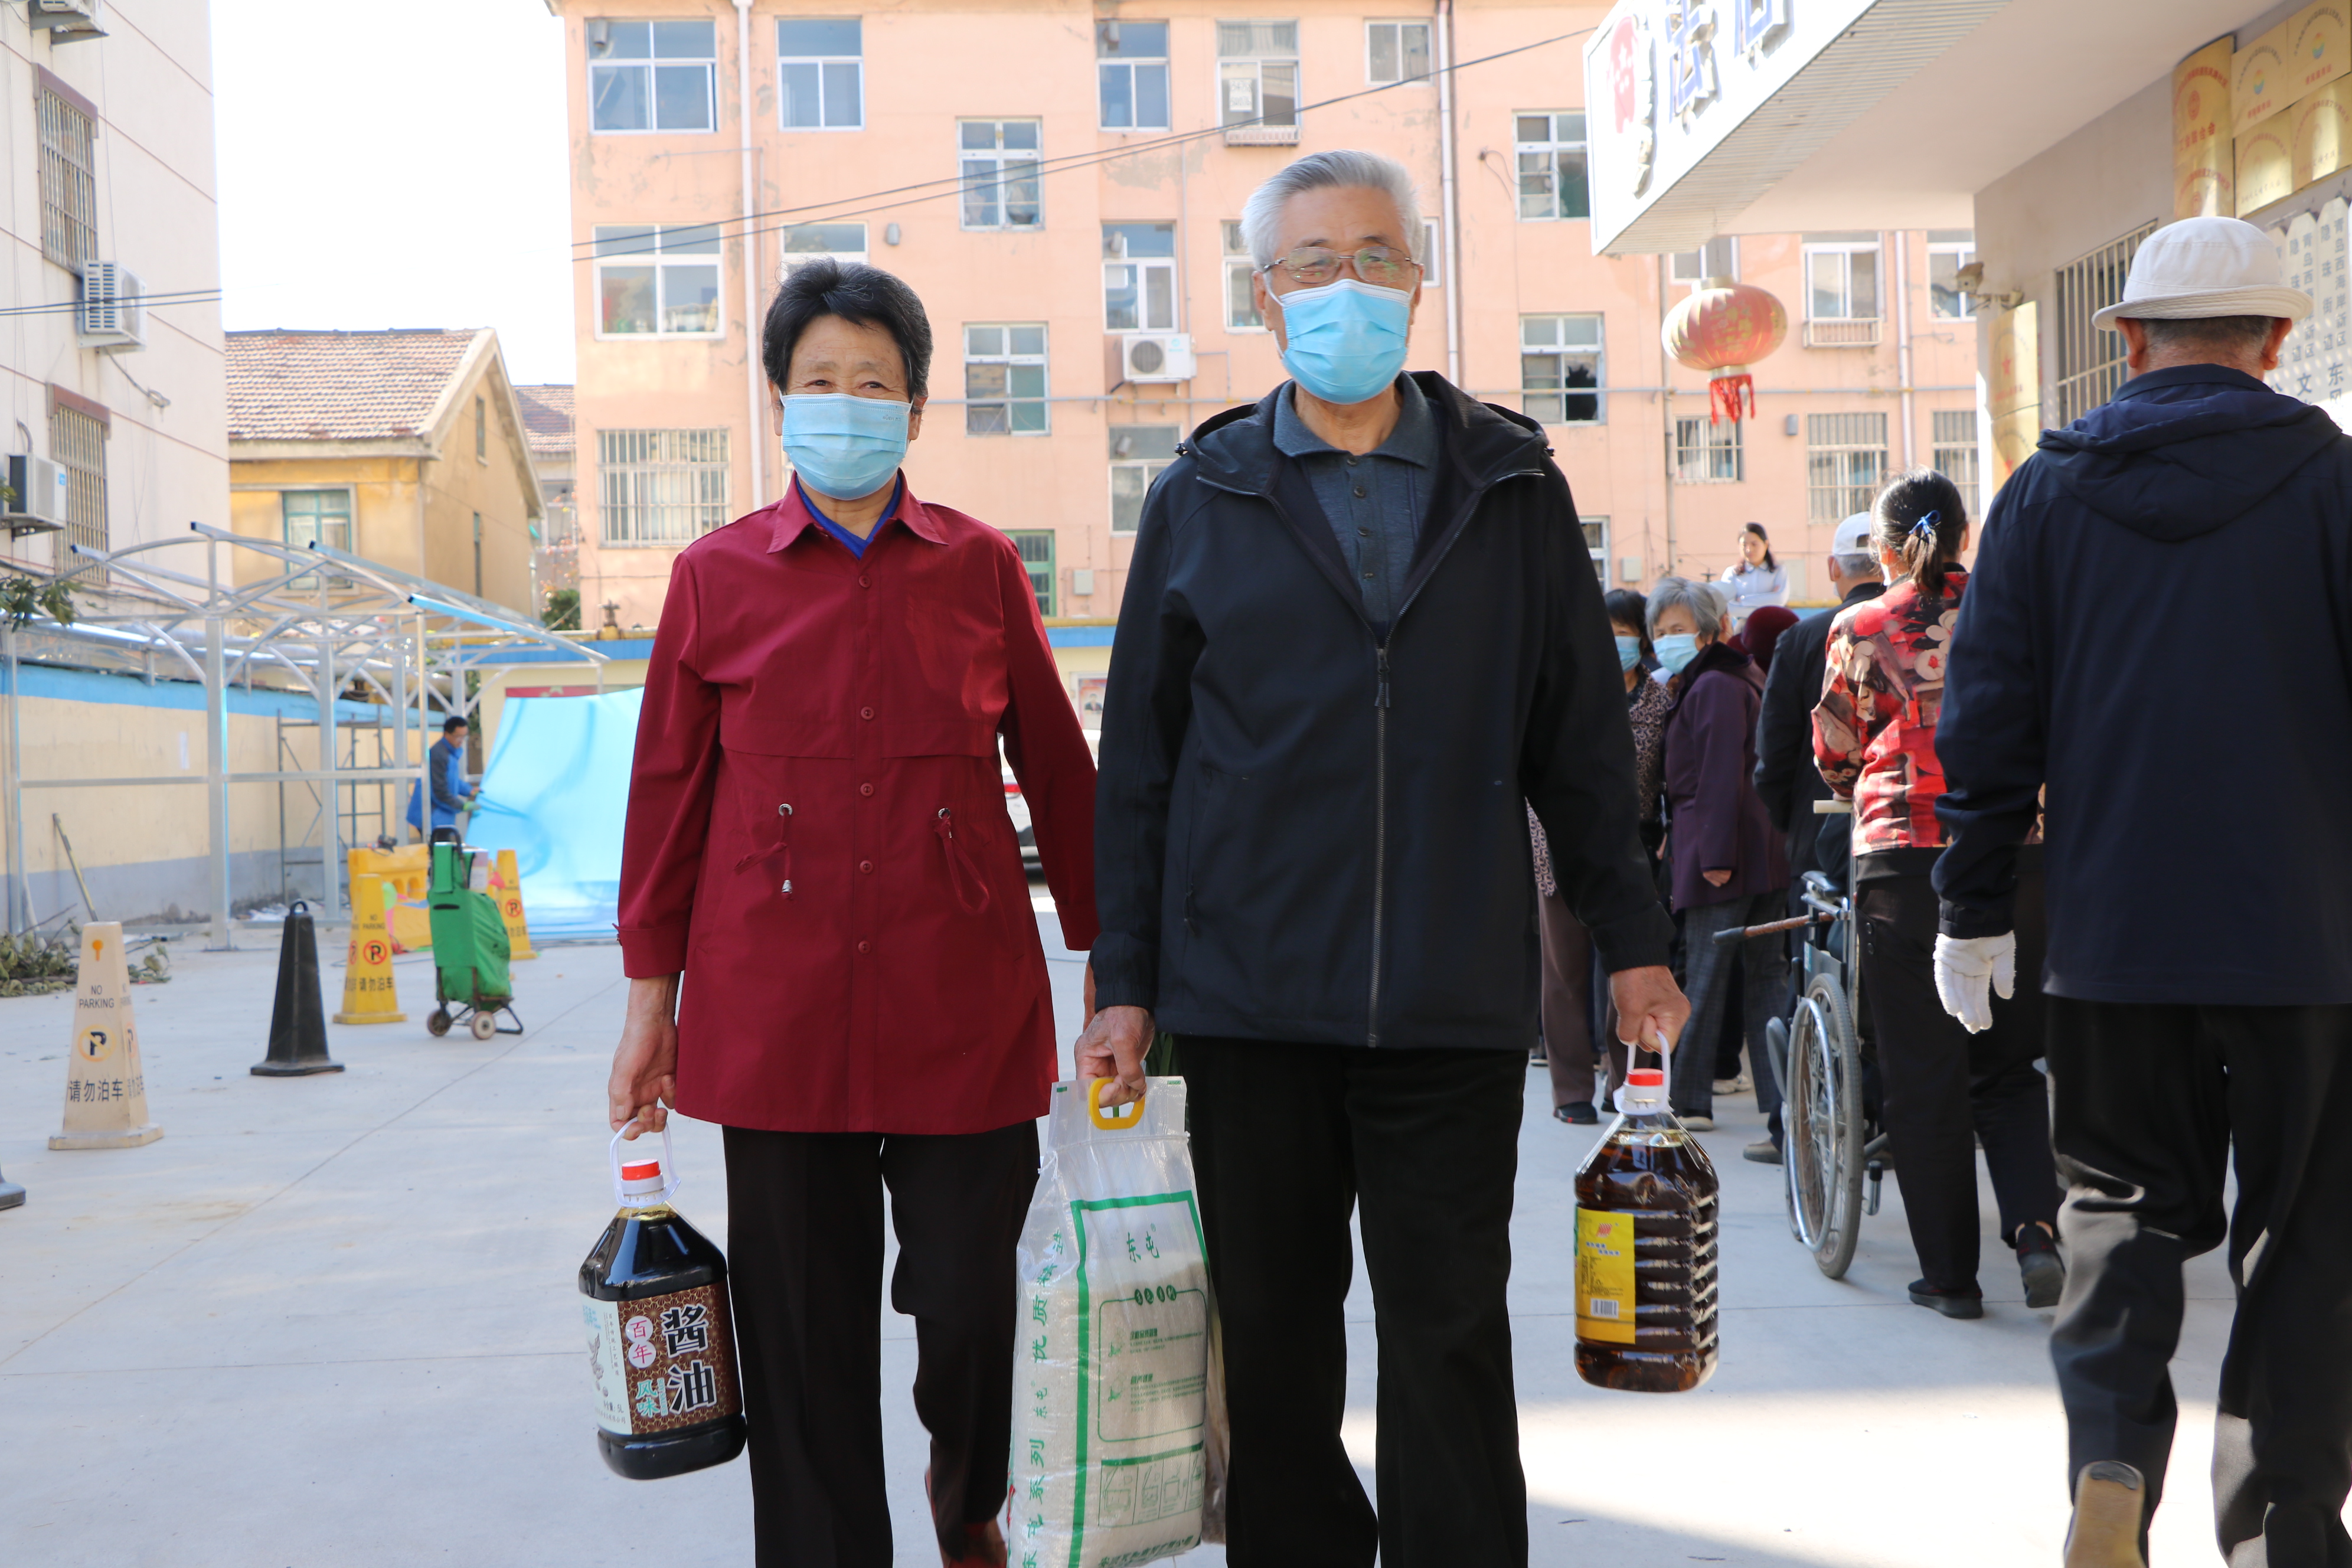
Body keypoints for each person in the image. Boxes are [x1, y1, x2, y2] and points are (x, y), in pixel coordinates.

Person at [1080, 149, 1687, 1568]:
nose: (1342, 285)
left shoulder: (1511, 486)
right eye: (1311, 262)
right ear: (1263, 295)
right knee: (1276, 1353)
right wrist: (1126, 979)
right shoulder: (1203, 492)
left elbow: (1580, 748)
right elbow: (1142, 766)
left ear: (1417, 280)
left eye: (1371, 256)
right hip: (1246, 1004)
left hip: (1447, 1001)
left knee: (1448, 1337)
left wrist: (1635, 941)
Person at [605, 259, 1099, 1568]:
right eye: (819, 380)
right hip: (776, 1015)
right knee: (801, 1336)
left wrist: (1115, 963)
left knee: (975, 1302)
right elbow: (665, 798)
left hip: (962, 1005)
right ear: (780, 401)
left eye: (872, 383)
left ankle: (970, 1504)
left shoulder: (980, 568)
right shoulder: (714, 576)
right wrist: (651, 1006)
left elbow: (1061, 771)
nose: (845, 403)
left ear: (916, 410)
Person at [1931, 215, 2352, 1566]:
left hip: (2113, 931)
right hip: (2307, 936)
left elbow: (1986, 721)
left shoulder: (2043, 496)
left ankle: (2111, 1461)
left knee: (2116, 1209)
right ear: (2274, 340)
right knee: (2305, 1235)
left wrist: (1970, 905)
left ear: (2126, 344)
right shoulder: (2336, 481)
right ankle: (2288, 1524)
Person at [1811, 469, 2061, 1323]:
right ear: (1965, 538)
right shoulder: (2019, 610)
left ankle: (1951, 1278)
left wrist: (1862, 784)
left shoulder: (1861, 625)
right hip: (2019, 853)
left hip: (1903, 865)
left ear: (1883, 549)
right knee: (2009, 1066)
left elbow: (1836, 752)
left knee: (1923, 1077)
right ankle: (2035, 1231)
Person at [1745, 512, 1887, 1164]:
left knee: (1817, 972)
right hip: (1914, 837)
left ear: (1833, 569)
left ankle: (1798, 1128)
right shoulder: (1927, 626)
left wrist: (1793, 824)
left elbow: (1774, 754)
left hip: (1825, 834)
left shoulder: (1805, 639)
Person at [1648, 575, 1786, 1131]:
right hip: (1757, 852)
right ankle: (1782, 1110)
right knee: (1765, 981)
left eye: (1678, 629)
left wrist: (1713, 857)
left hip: (1724, 853)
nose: (1667, 641)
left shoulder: (1713, 686)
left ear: (1707, 632)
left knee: (1705, 977)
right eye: (1660, 632)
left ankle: (1688, 1100)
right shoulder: (1732, 677)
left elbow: (1719, 776)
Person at [1534, 588, 1674, 1123]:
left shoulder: (1661, 701)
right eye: (1605, 634)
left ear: (1642, 639)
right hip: (1556, 845)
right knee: (1564, 974)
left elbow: (1672, 775)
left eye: (1624, 635)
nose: (1613, 645)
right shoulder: (1568, 692)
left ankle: (1624, 1084)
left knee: (1631, 965)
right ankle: (1571, 1090)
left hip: (1631, 848)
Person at [1720, 520, 1788, 629]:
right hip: (1743, 629)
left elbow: (1779, 600)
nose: (1749, 549)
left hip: (1773, 629)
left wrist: (1743, 600)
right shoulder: (1732, 573)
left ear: (1766, 544)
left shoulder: (1778, 571)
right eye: (1744, 545)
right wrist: (1768, 601)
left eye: (1754, 544)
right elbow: (1727, 607)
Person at [427, 714, 473, 832]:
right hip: (432, 815)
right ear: (447, 734)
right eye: (458, 737)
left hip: (441, 815)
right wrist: (462, 806)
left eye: (464, 736)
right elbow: (440, 791)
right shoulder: (439, 755)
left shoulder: (450, 752)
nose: (461, 741)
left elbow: (451, 779)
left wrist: (469, 790)